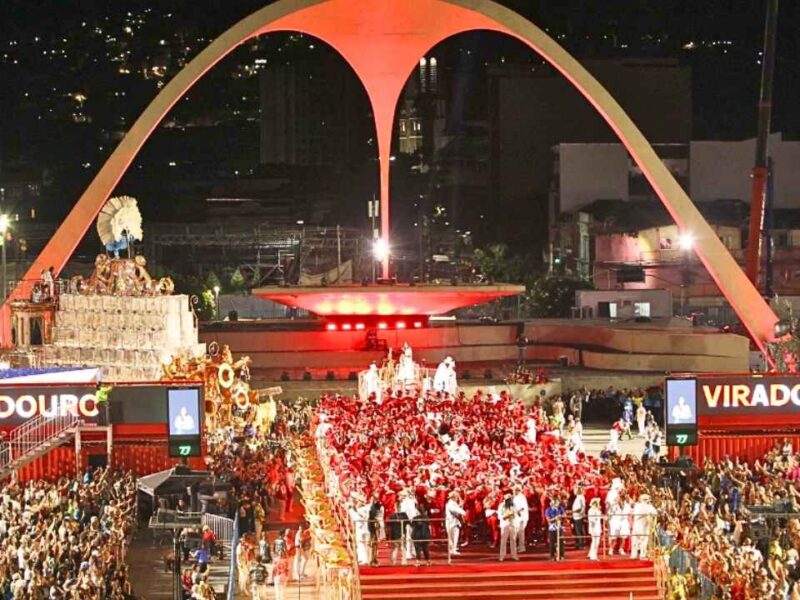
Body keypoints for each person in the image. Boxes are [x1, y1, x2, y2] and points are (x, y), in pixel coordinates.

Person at [630, 494, 657, 559]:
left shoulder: (637, 505)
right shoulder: (648, 506)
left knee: (635, 541)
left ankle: (633, 555)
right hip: (643, 526)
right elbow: (655, 513)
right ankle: (642, 555)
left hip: (636, 525)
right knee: (643, 541)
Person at [498, 493, 518, 561]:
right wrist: (505, 516)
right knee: (503, 540)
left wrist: (514, 515)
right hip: (505, 524)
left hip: (512, 524)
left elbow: (516, 514)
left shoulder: (514, 505)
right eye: (508, 499)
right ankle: (502, 556)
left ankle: (514, 555)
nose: (510, 500)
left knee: (513, 540)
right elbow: (499, 515)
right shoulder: (501, 505)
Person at [445, 492, 466, 557]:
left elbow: (458, 507)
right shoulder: (451, 504)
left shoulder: (453, 503)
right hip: (451, 522)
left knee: (454, 536)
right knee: (452, 536)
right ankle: (452, 550)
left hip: (454, 522)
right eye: (456, 496)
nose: (457, 498)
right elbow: (456, 510)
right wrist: (463, 512)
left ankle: (453, 548)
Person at [545, 496, 565, 561]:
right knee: (552, 542)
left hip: (560, 527)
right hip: (552, 528)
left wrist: (561, 516)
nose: (556, 503)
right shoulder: (548, 509)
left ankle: (561, 555)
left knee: (561, 542)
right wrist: (555, 518)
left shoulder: (560, 508)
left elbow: (564, 515)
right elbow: (548, 520)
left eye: (557, 502)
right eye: (554, 501)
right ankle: (552, 555)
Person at [512, 486, 529, 553]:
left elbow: (523, 507)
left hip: (522, 517)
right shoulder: (515, 497)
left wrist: (517, 512)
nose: (513, 491)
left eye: (514, 490)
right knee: (517, 532)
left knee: (520, 532)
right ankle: (519, 547)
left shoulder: (522, 497)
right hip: (517, 517)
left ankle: (521, 547)